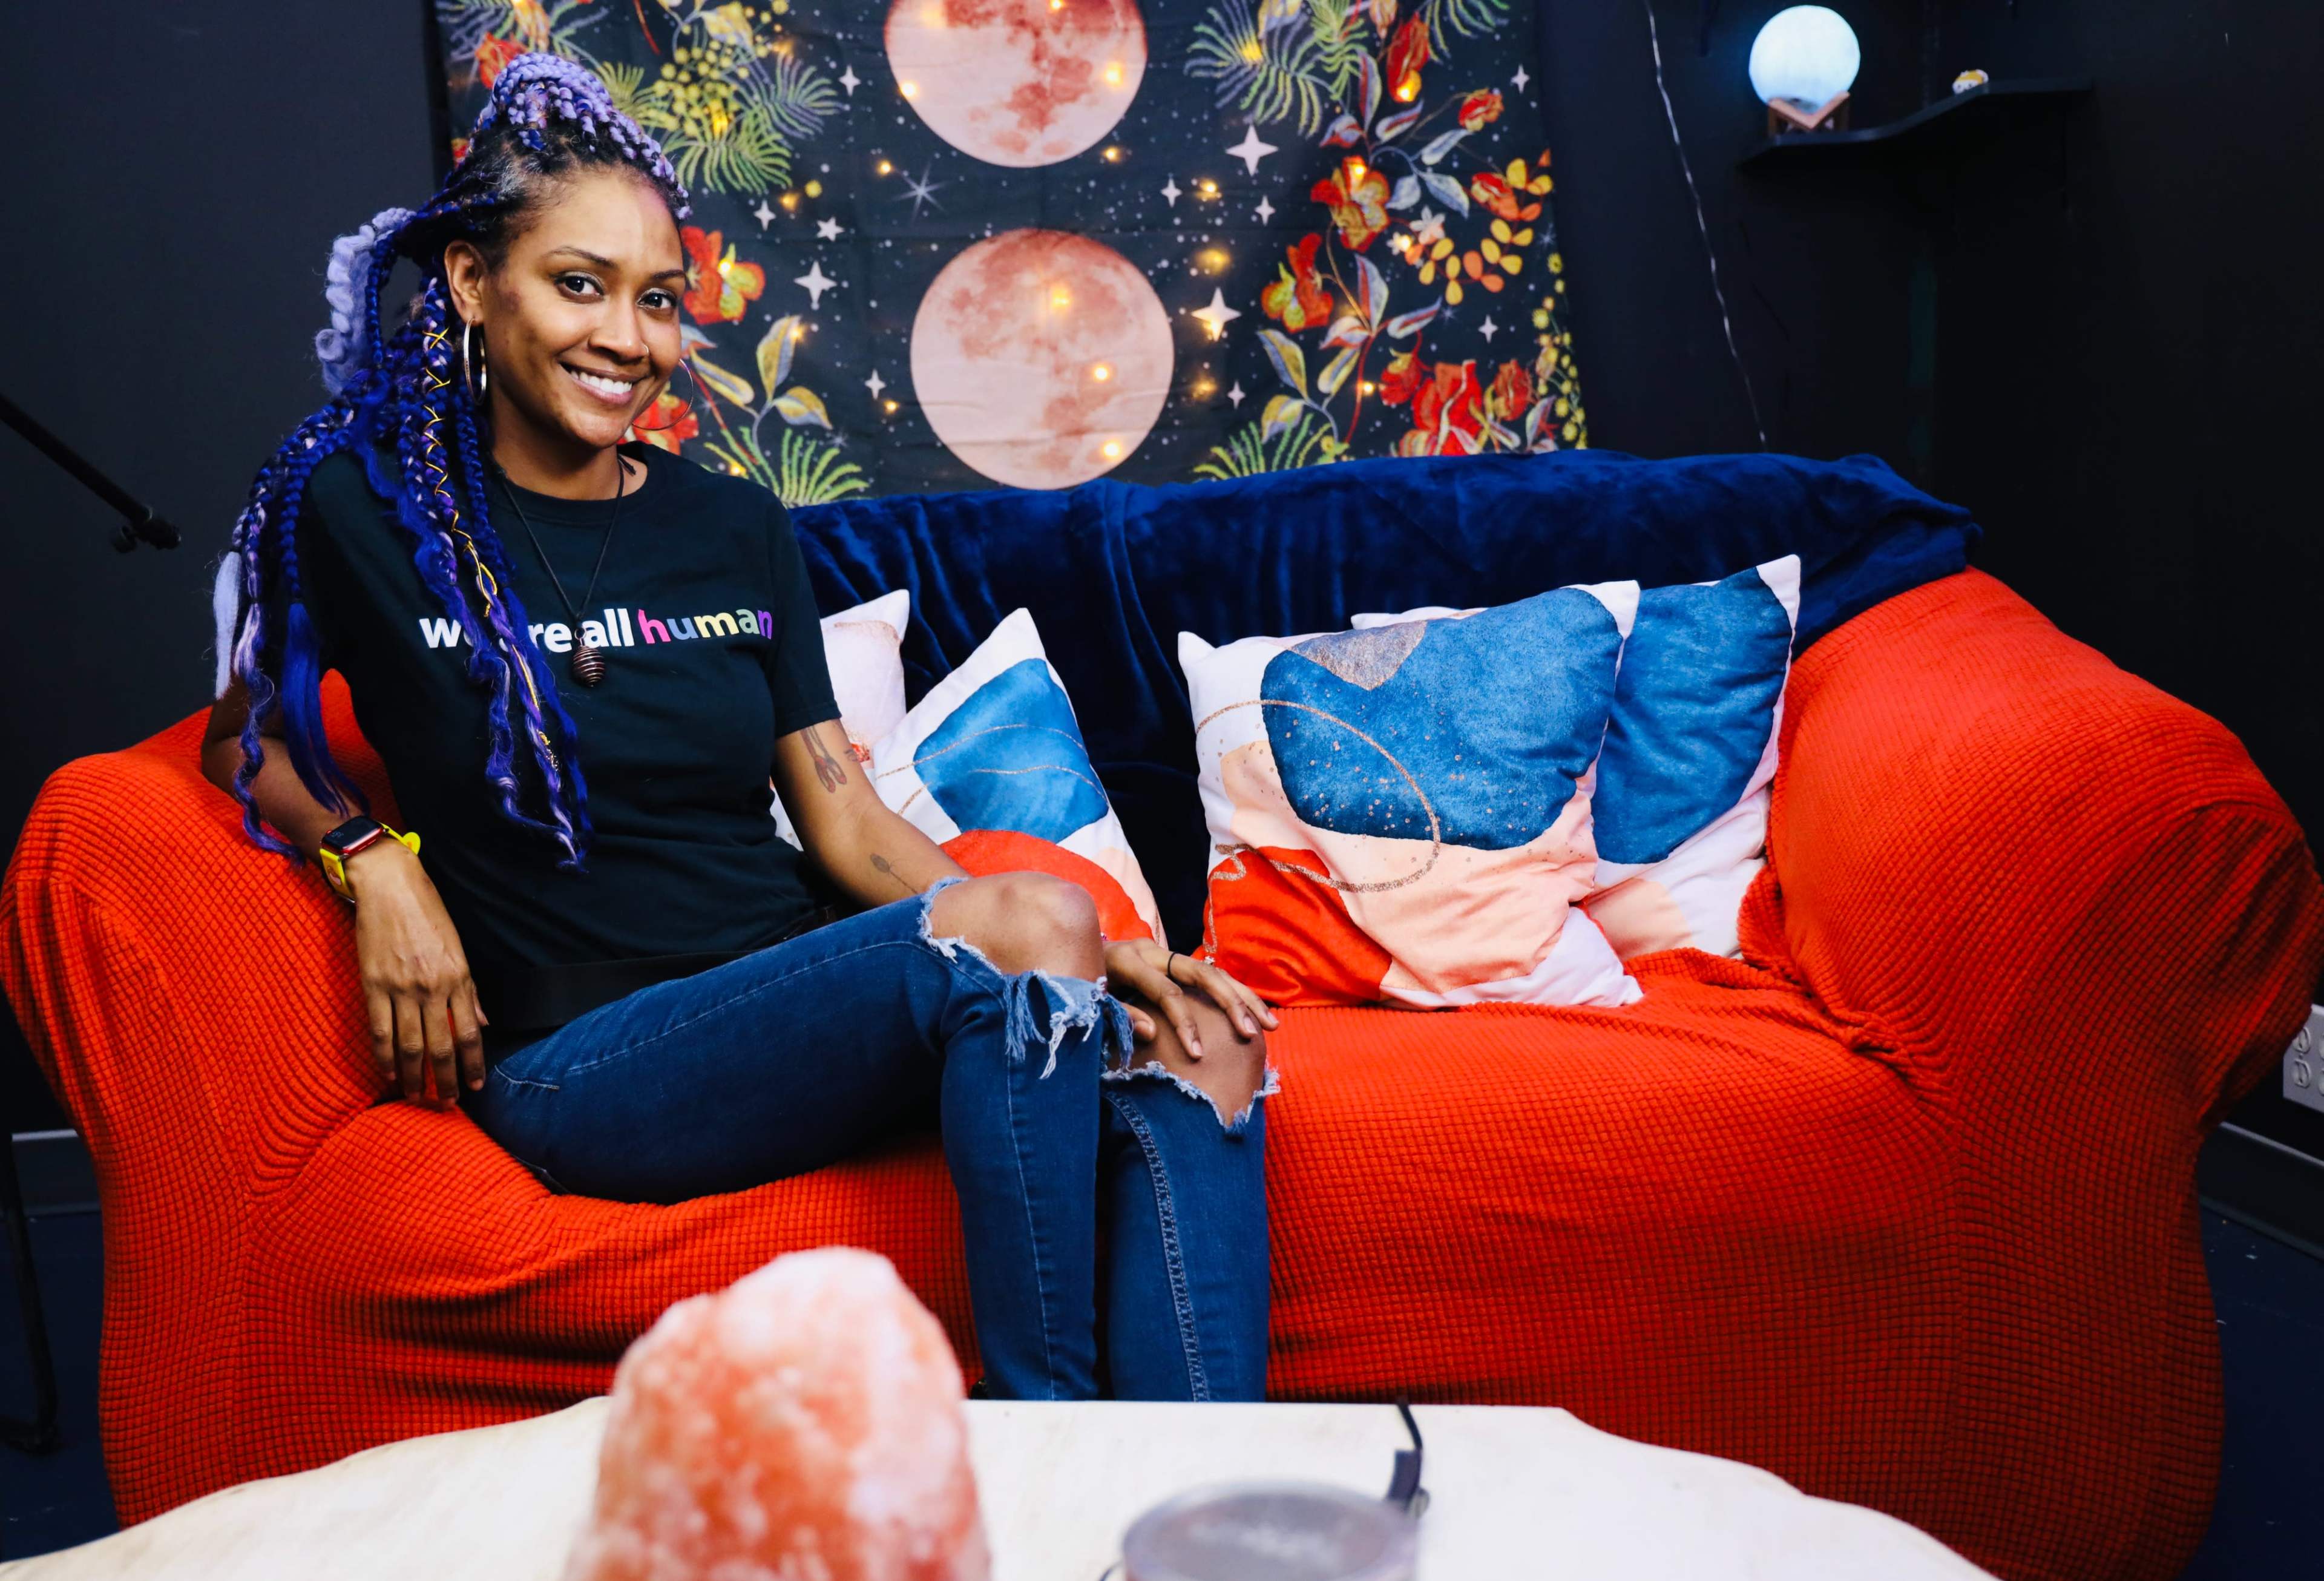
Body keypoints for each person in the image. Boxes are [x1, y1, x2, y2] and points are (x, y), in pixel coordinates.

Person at [202, 54, 1277, 1403]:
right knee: (1036, 934)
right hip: (587, 1060)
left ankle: (1195, 1500)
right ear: (476, 286)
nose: (627, 338)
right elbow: (248, 738)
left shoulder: (730, 528)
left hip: (802, 1002)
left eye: (658, 301)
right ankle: (1042, 1452)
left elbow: (845, 819)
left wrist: (1104, 951)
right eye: (577, 285)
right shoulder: (364, 513)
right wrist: (378, 859)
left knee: (1203, 1037)